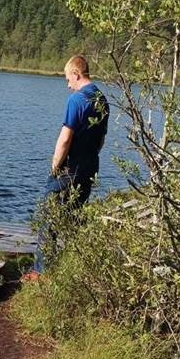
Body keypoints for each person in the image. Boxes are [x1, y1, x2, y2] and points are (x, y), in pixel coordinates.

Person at [27, 55, 109, 278]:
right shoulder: (101, 99)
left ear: (76, 74)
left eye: (68, 79)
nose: (68, 84)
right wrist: (90, 157)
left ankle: (41, 272)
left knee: (48, 215)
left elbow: (65, 138)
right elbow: (101, 138)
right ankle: (75, 266)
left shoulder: (77, 100)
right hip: (90, 166)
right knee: (75, 217)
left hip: (69, 169)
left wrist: (55, 166)